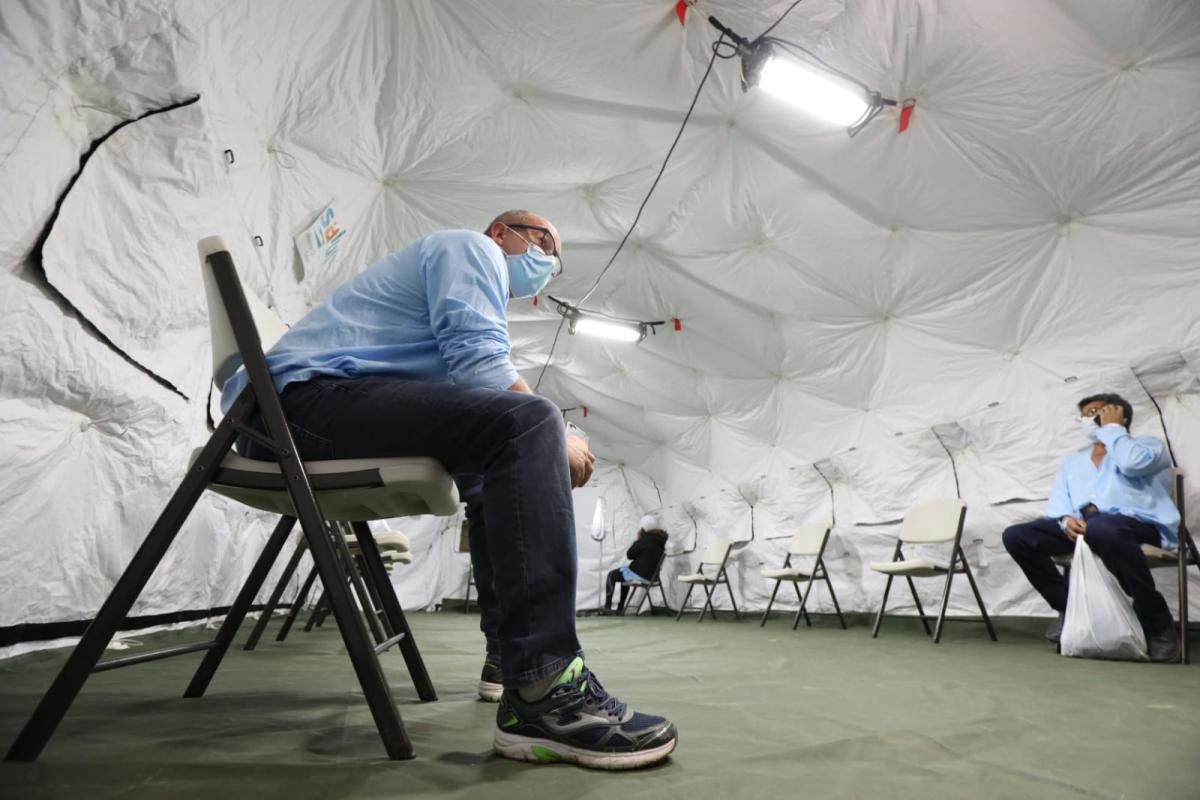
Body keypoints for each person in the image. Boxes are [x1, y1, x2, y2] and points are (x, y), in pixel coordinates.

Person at [221, 210, 678, 768]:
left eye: (555, 259)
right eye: (542, 243)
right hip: (293, 411)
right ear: (501, 235)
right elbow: (481, 365)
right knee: (530, 423)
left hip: (306, 413)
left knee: (495, 467)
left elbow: (475, 390)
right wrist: (554, 431)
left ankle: (514, 665)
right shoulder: (470, 250)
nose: (549, 260)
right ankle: (546, 686)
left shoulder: (441, 305)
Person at [1001, 393, 1180, 661]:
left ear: (1121, 417)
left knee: (1102, 527)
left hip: (1137, 525)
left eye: (1098, 412)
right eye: (1085, 414)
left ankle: (1157, 623)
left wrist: (1113, 430)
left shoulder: (1147, 446)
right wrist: (1065, 520)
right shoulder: (1072, 462)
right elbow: (1060, 502)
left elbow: (1132, 465)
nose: (1089, 418)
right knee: (1017, 536)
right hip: (1085, 526)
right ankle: (1070, 607)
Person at [604, 515, 668, 614]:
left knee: (611, 575)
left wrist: (637, 540)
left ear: (643, 527)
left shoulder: (645, 538)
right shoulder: (661, 540)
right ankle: (620, 608)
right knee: (624, 576)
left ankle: (608, 607)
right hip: (652, 577)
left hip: (640, 574)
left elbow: (630, 554)